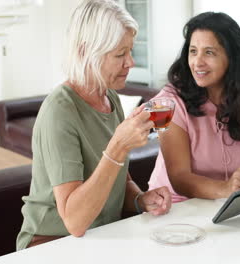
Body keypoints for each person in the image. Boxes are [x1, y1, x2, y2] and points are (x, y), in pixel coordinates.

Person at [16, 0, 171, 250]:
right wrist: (118, 147)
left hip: (101, 235)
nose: (130, 62)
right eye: (120, 54)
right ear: (86, 51)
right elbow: (75, 222)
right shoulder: (60, 110)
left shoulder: (110, 98)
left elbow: (120, 179)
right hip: (51, 243)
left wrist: (141, 199)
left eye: (129, 51)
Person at [148, 12, 240, 210]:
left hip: (227, 205)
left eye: (209, 52)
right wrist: (226, 188)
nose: (197, 62)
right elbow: (179, 178)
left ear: (231, 57)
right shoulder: (162, 104)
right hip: (172, 209)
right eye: (193, 51)